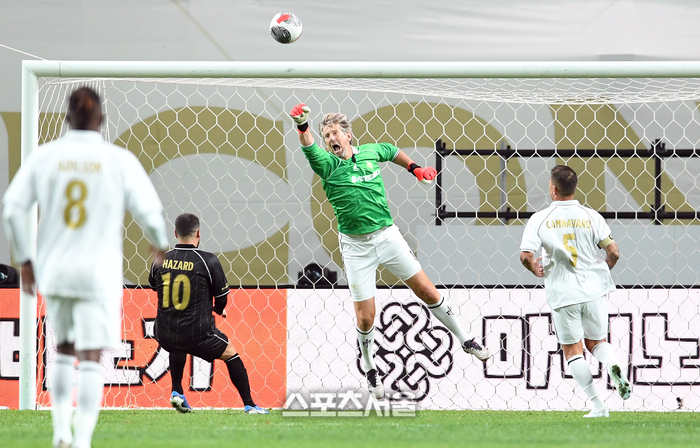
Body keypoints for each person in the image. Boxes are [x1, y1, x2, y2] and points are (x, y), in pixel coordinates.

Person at [2, 87, 169, 448]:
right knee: (91, 356)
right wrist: (159, 243)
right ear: (103, 119)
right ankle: (82, 441)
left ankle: (61, 430)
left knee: (63, 349)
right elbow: (150, 212)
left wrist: (25, 260)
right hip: (98, 274)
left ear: (66, 117)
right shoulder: (118, 159)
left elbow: (12, 207)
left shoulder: (46, 156)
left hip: (56, 271)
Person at [289, 103, 491, 399]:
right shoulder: (327, 164)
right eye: (326, 135)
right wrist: (303, 126)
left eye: (335, 133)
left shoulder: (370, 152)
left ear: (348, 136)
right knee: (366, 318)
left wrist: (415, 169)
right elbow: (308, 147)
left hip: (387, 237)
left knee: (427, 290)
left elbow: (392, 151)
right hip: (356, 247)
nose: (330, 138)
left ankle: (466, 339)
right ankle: (370, 367)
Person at [519, 165, 630, 418]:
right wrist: (602, 270)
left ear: (553, 189)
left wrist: (534, 268)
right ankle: (611, 363)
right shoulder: (592, 216)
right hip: (593, 290)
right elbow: (613, 252)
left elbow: (526, 256)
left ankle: (598, 406)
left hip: (563, 292)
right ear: (575, 188)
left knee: (572, 350)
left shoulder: (540, 219)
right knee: (597, 342)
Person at [148, 212, 268, 414]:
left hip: (164, 333)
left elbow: (155, 285)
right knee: (231, 354)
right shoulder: (207, 260)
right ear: (198, 233)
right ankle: (250, 405)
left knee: (177, 343)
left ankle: (177, 391)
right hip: (197, 334)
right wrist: (218, 309)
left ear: (176, 233)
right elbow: (221, 298)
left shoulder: (160, 260)